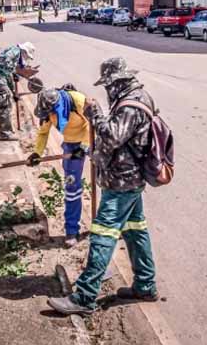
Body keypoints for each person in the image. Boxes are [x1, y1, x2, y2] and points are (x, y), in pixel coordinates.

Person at [48, 57, 158, 316]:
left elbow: (111, 137)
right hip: (128, 180)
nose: (107, 91)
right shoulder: (133, 100)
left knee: (102, 235)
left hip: (122, 182)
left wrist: (95, 114)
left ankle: (85, 297)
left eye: (108, 86)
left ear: (117, 83)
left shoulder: (132, 105)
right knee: (134, 230)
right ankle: (145, 284)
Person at [28, 87, 90, 247]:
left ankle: (118, 223)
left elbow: (93, 124)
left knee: (109, 181)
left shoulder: (78, 100)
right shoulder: (47, 112)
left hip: (90, 140)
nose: (51, 117)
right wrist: (37, 153)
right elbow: (43, 133)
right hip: (70, 145)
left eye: (52, 113)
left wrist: (83, 147)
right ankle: (72, 230)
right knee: (72, 186)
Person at [0, 42, 37, 140]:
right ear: (24, 52)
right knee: (5, 107)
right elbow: (5, 65)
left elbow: (7, 75)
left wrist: (14, 92)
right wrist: (12, 71)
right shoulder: (15, 52)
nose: (26, 58)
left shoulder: (12, 51)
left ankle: (3, 130)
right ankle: (6, 133)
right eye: (27, 56)